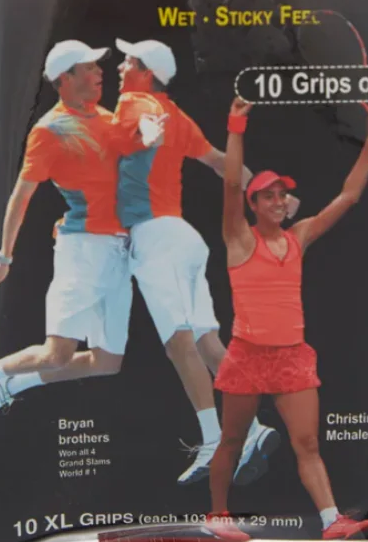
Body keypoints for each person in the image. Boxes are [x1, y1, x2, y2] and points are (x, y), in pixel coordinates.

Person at [205, 97, 368, 542]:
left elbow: (348, 196)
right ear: (253, 204)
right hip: (247, 355)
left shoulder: (299, 235)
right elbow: (231, 183)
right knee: (232, 442)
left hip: (291, 357)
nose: (278, 201)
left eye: (282, 195)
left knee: (308, 444)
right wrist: (235, 125)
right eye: (268, 195)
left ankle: (331, 522)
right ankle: (218, 515)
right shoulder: (238, 238)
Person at [0, 40, 160, 428]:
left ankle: (9, 387)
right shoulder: (48, 131)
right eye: (90, 67)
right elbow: (21, 196)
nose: (100, 72)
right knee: (57, 354)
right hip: (82, 251)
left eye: (98, 66)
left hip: (119, 253)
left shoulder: (106, 118)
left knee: (106, 362)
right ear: (66, 78)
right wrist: (4, 257)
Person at [113, 39, 279, 486]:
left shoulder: (133, 103)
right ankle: (253, 428)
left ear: (146, 72)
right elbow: (223, 165)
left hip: (155, 238)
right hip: (185, 239)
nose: (120, 66)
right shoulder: (177, 114)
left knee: (179, 343)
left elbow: (136, 134)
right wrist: (268, 198)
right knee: (207, 342)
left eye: (128, 60)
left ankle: (214, 440)